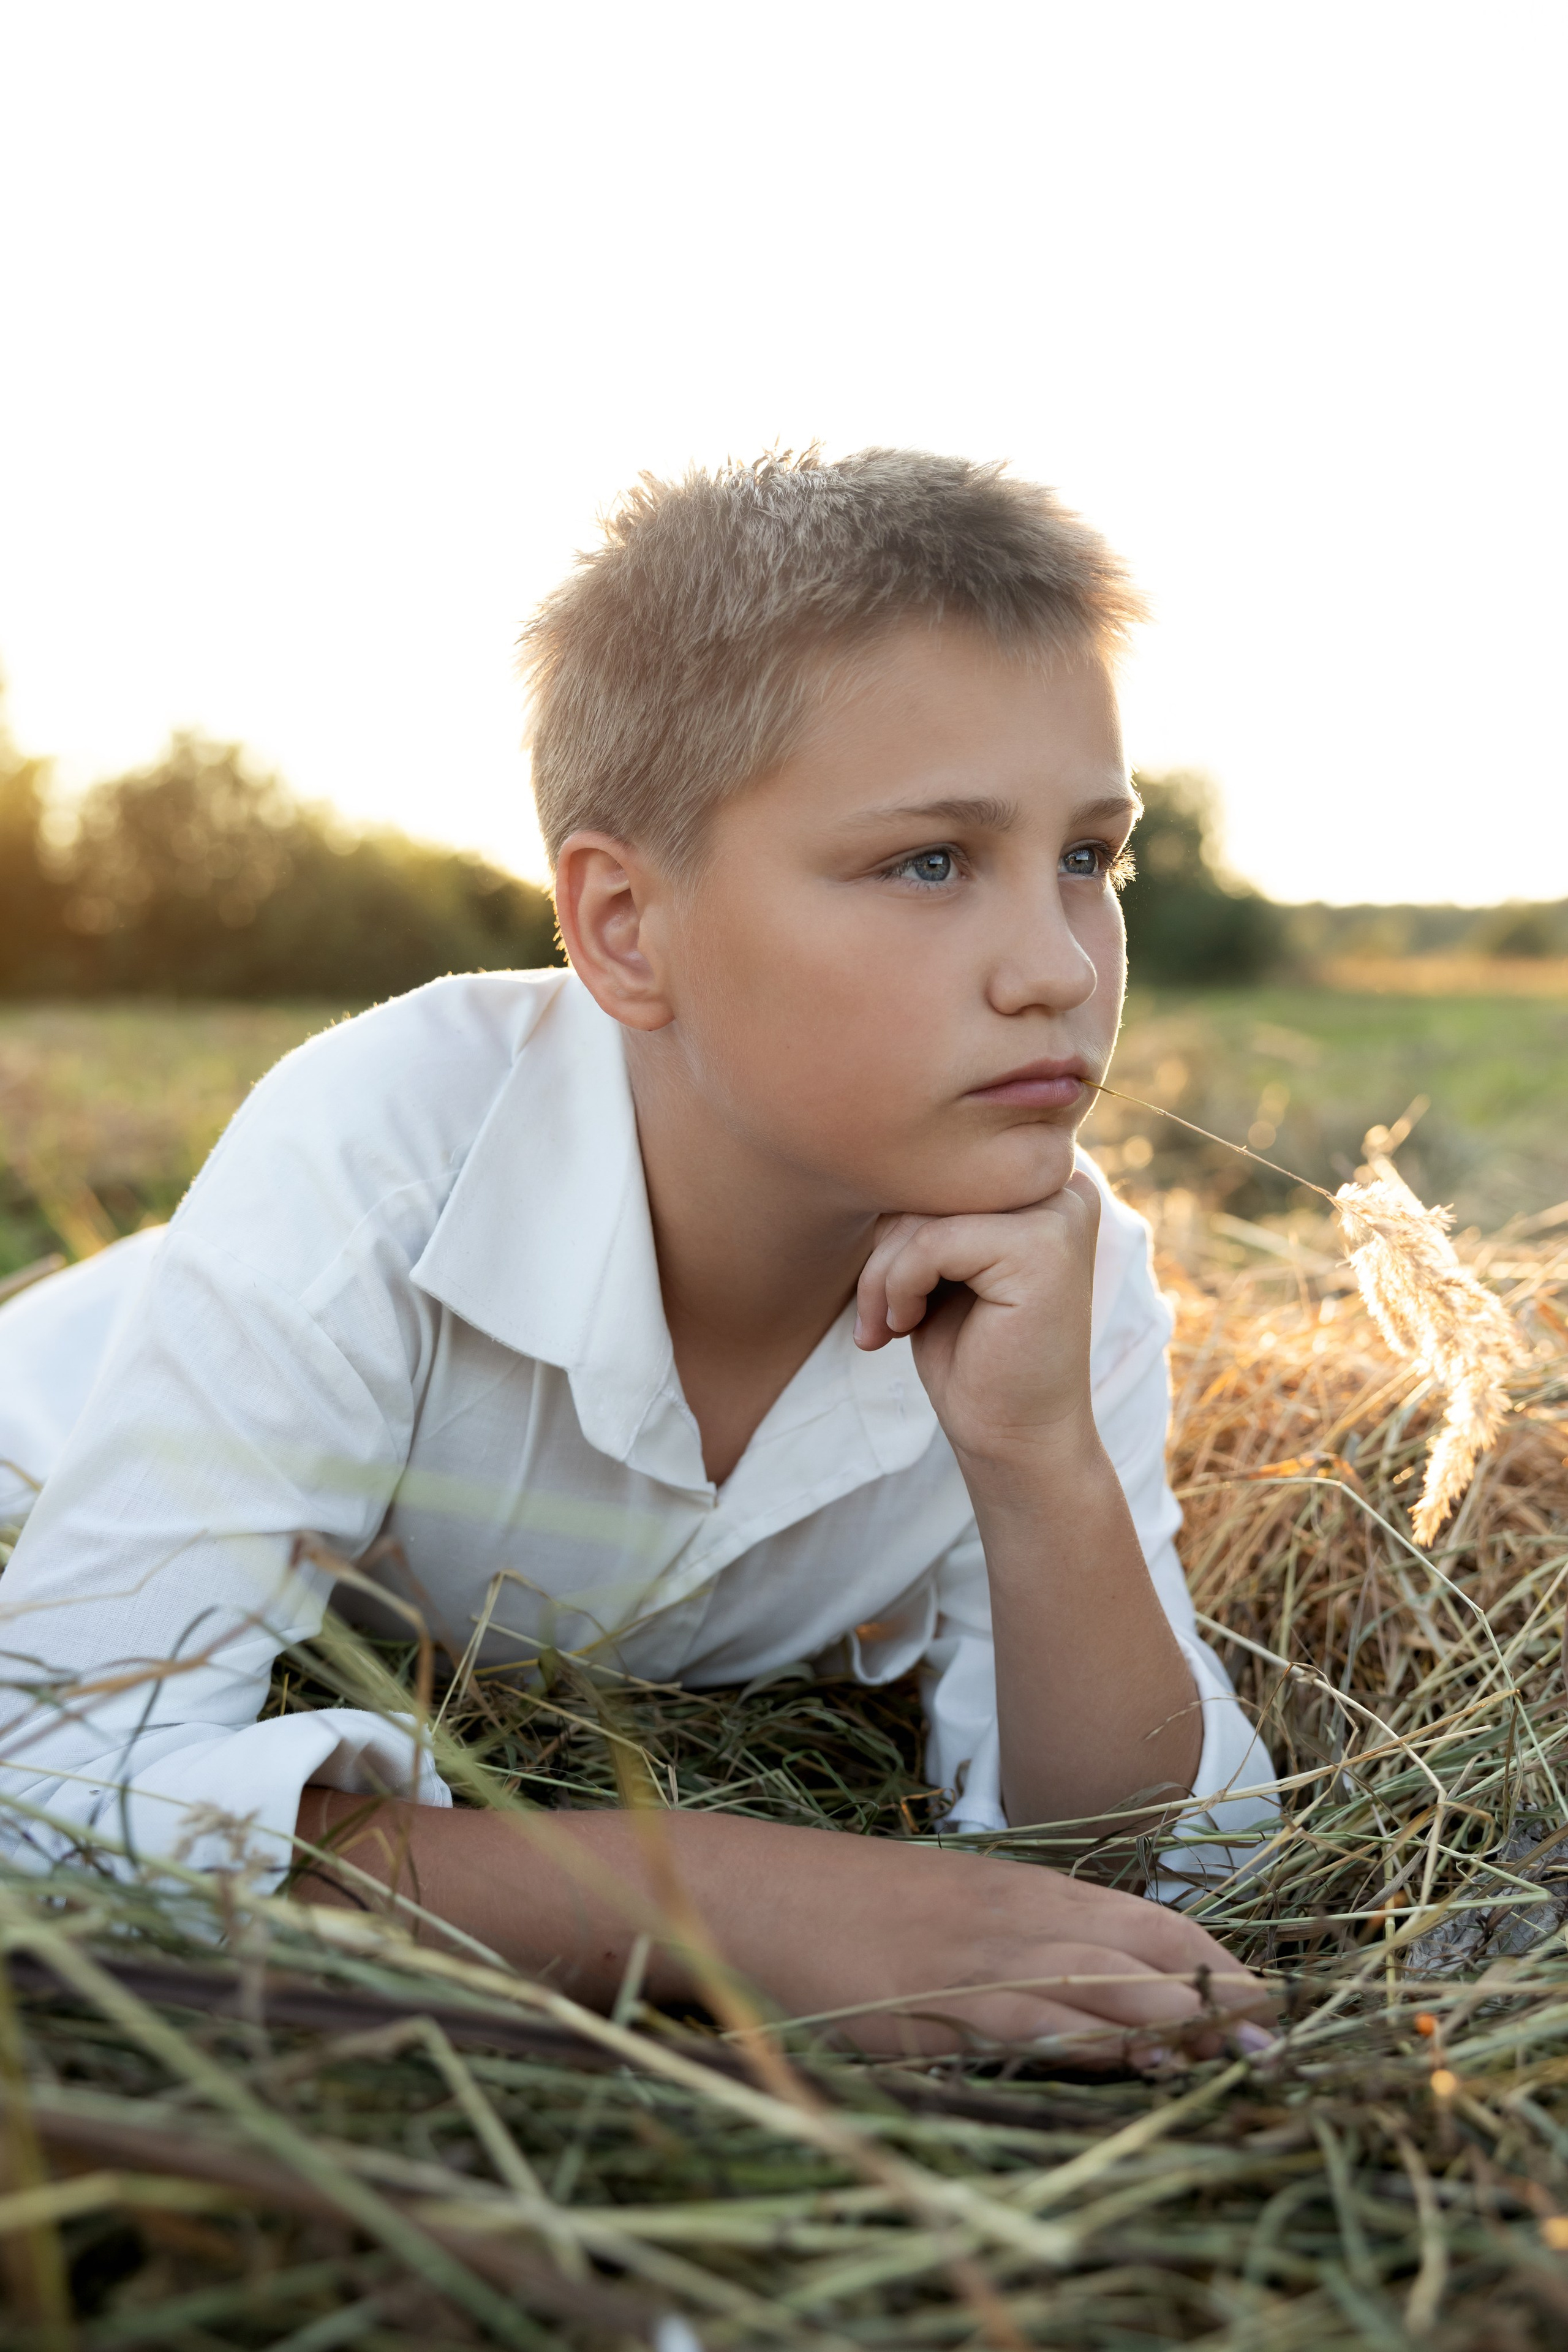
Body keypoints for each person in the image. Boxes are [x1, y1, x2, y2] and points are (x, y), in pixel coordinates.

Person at [0, 448, 1276, 2064]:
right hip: (53, 1421)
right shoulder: (379, 1154)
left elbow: (1164, 1864)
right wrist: (709, 1897)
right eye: (930, 862)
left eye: (1091, 857)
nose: (1054, 967)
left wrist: (1042, 1470)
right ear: (622, 928)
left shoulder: (1057, 1266)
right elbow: (51, 1796)